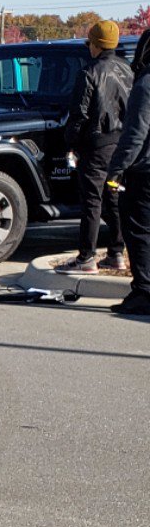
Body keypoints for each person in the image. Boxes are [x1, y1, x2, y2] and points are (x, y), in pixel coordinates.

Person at [56, 21, 134, 274]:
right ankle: (116, 253)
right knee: (114, 198)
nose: (88, 47)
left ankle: (86, 258)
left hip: (96, 146)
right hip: (122, 145)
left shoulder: (88, 73)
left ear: (97, 45)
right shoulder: (128, 70)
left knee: (91, 201)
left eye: (89, 43)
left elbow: (78, 115)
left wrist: (71, 144)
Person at [106, 33, 150, 316]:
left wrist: (116, 170)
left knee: (139, 231)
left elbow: (135, 134)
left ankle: (144, 292)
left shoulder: (145, 84)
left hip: (144, 171)